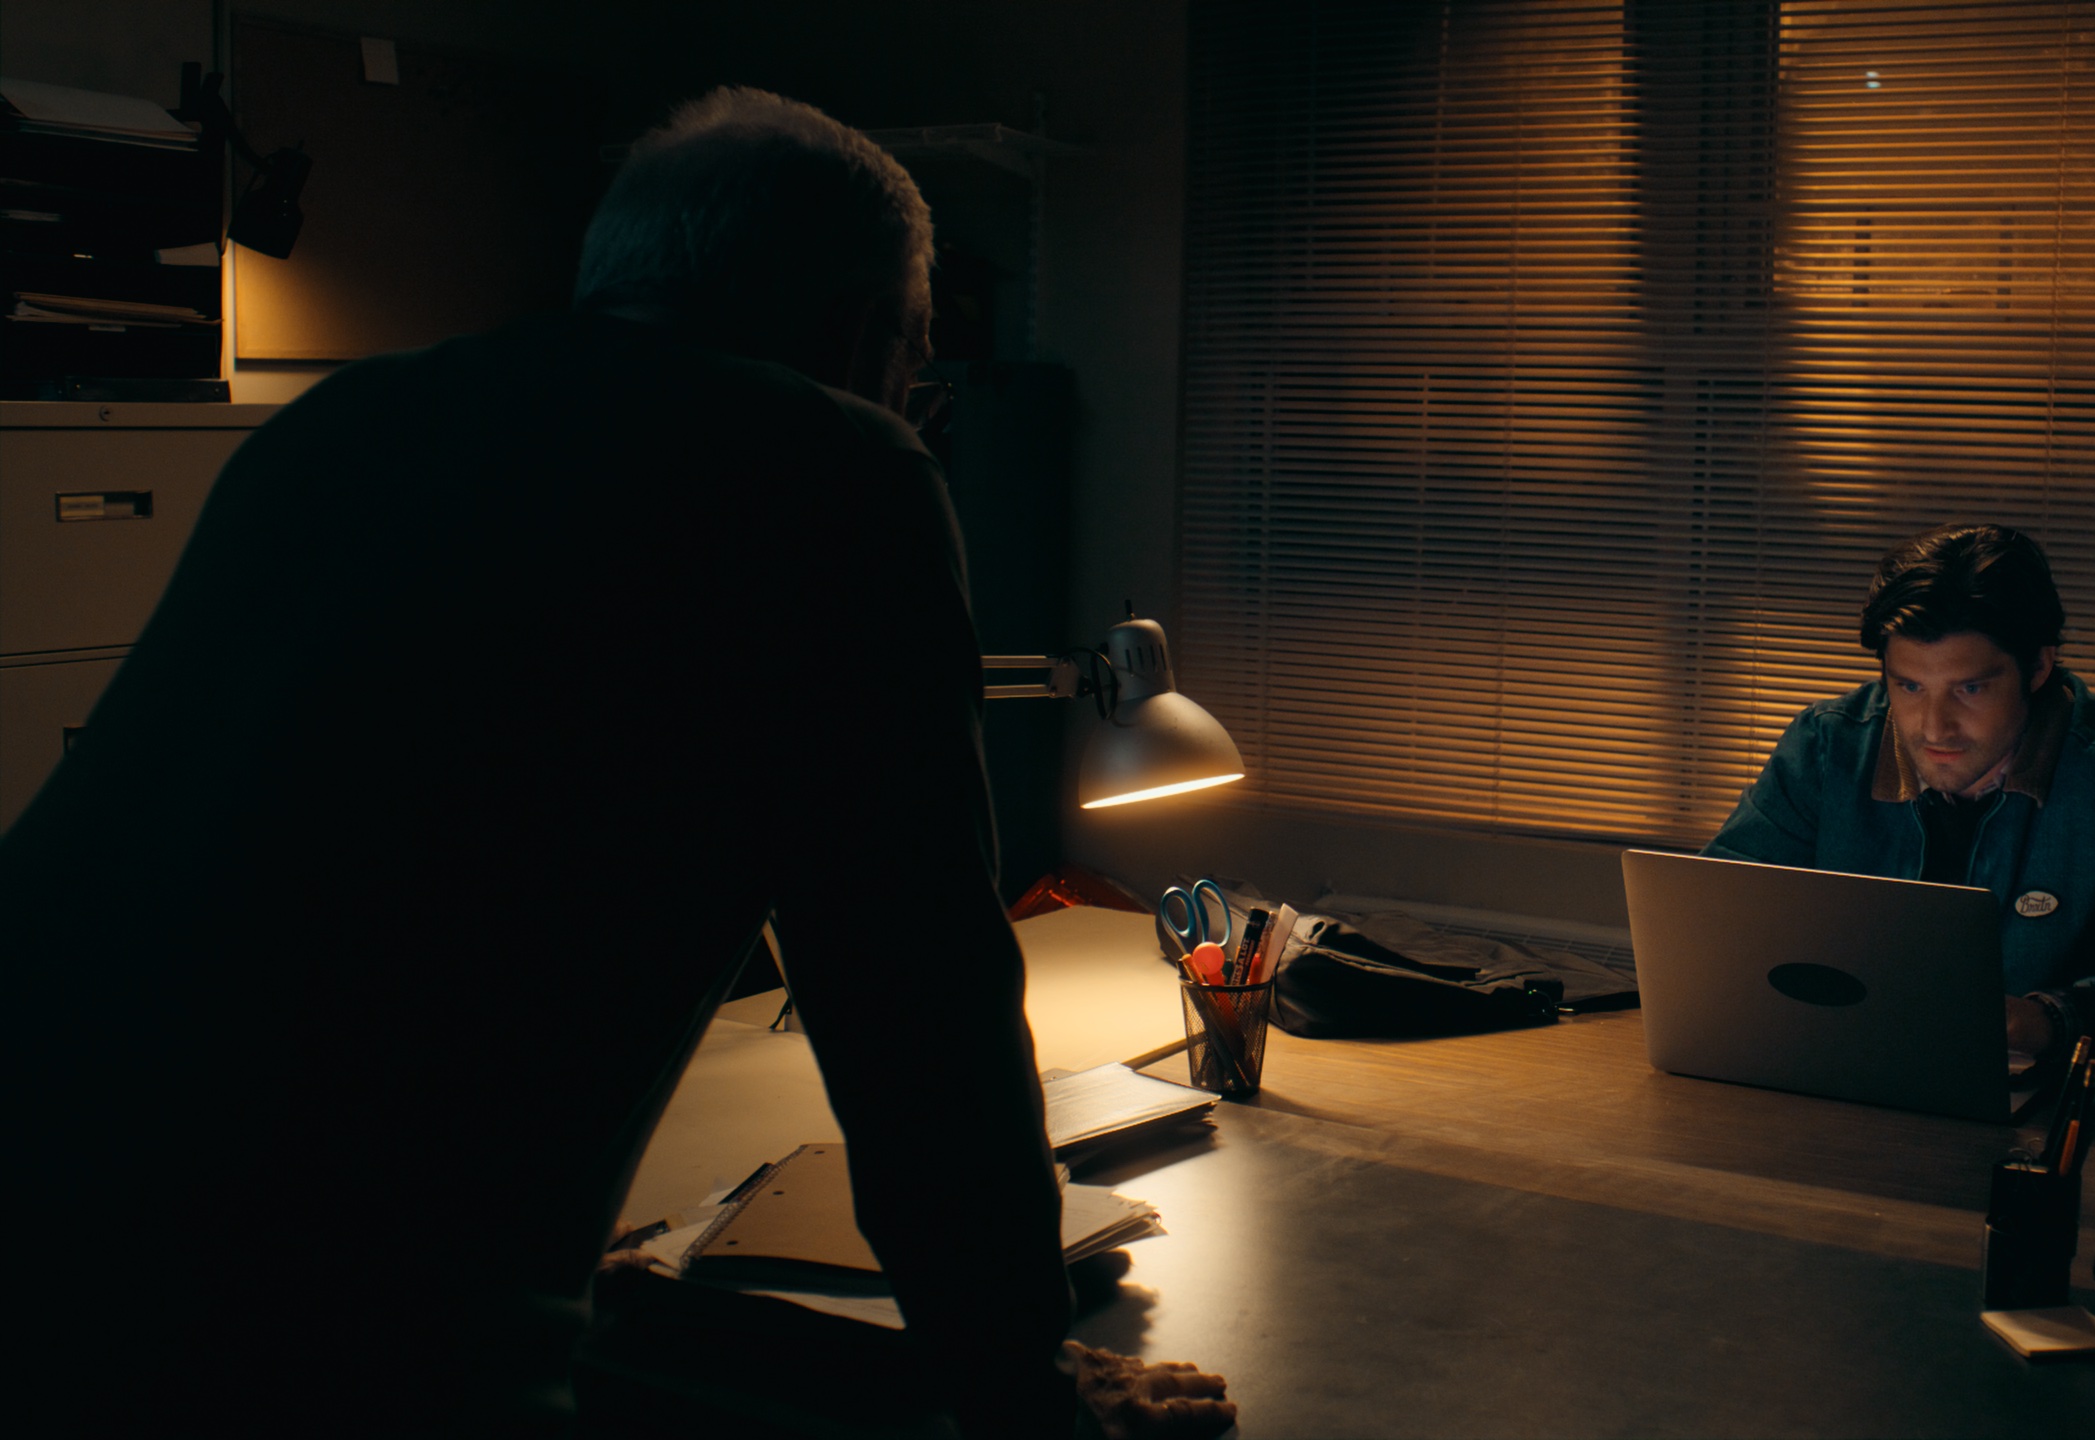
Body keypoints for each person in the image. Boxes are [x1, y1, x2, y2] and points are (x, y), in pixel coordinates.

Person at [0, 88, 1231, 1439]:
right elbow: (915, 1012)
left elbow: (356, 879)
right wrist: (1024, 1389)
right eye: (915, 361)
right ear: (864, 333)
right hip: (298, 1334)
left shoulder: (343, 422)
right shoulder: (834, 471)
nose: (910, 403)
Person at [1706, 524, 2095, 1067]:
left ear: (2039, 666)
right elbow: (1715, 921)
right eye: (1909, 686)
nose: (1934, 727)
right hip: (1837, 1070)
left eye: (1970, 688)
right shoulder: (1827, 747)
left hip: (2060, 1104)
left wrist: (2053, 1021)